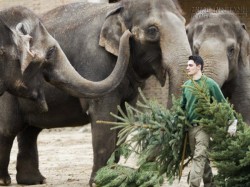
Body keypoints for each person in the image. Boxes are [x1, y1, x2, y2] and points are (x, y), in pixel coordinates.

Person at [180, 55, 226, 187]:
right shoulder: (186, 86)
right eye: (187, 65)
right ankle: (210, 184)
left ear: (199, 66)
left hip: (204, 128)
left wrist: (231, 121)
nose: (187, 67)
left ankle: (193, 185)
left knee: (198, 157)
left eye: (190, 65)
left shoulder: (210, 84)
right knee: (202, 158)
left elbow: (222, 103)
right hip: (191, 129)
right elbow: (182, 107)